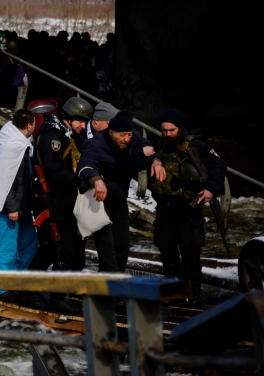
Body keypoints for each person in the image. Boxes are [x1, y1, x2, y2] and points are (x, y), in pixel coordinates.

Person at [150, 108, 226, 301]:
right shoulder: (159, 146)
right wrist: (154, 160)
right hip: (165, 208)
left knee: (190, 252)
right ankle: (173, 294)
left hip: (189, 208)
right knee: (167, 254)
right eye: (164, 130)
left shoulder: (196, 146)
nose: (167, 134)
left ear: (180, 128)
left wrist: (211, 189)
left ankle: (194, 294)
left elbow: (218, 166)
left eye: (171, 130)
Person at [78, 110, 166, 271]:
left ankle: (115, 287)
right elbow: (85, 165)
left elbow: (147, 147)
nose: (126, 139)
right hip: (99, 202)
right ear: (111, 132)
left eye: (129, 135)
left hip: (119, 199)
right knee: (108, 251)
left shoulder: (132, 138)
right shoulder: (96, 143)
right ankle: (107, 291)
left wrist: (156, 162)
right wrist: (96, 180)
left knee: (122, 247)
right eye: (122, 135)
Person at [35, 96, 93, 271]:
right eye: (80, 121)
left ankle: (62, 292)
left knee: (70, 251)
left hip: (69, 202)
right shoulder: (53, 137)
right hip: (55, 203)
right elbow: (54, 170)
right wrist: (77, 178)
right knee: (53, 252)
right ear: (68, 118)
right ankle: (30, 290)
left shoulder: (69, 136)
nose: (83, 126)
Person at [0, 109, 37, 271]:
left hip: (22, 204)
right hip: (9, 208)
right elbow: (5, 180)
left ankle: (19, 278)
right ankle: (3, 287)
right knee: (7, 247)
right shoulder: (11, 146)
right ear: (29, 126)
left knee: (28, 243)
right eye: (34, 123)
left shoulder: (19, 140)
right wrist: (12, 208)